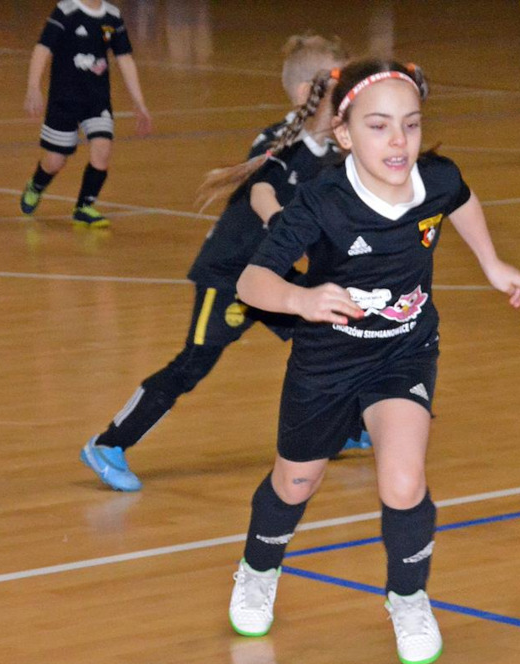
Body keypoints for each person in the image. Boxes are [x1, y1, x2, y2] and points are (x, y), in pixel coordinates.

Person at [227, 59, 520, 664]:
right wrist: (301, 300)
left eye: (410, 124)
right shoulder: (322, 201)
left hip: (404, 350)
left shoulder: (437, 178)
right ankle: (258, 569)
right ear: (344, 134)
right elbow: (251, 281)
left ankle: (408, 597)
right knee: (295, 482)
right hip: (328, 360)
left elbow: (461, 199)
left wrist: (492, 262)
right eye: (379, 126)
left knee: (404, 480)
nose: (399, 141)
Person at [79, 35, 350, 492]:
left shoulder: (334, 152)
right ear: (309, 92)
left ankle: (345, 426)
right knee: (193, 364)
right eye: (340, 81)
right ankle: (108, 444)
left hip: (272, 272)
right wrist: (284, 226)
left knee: (331, 334)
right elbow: (261, 191)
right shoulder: (280, 140)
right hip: (230, 273)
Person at [20, 0, 153, 227]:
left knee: (103, 149)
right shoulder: (66, 11)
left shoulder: (112, 16)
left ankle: (84, 206)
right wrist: (33, 87)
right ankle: (37, 184)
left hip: (97, 100)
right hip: (64, 99)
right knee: (55, 161)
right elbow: (43, 48)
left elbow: (124, 58)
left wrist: (139, 103)